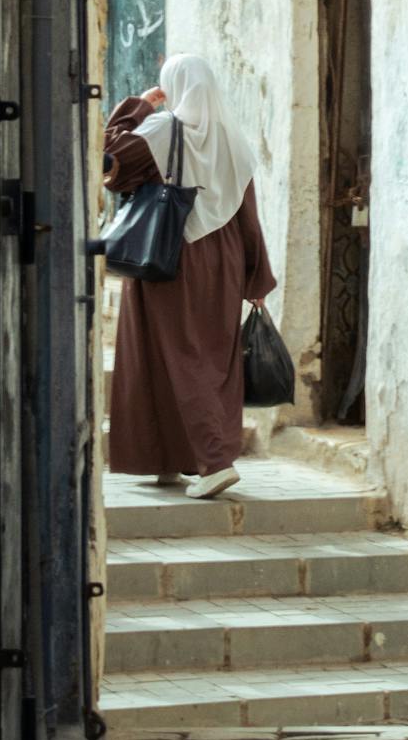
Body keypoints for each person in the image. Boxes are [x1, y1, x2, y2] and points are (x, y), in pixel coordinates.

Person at [101, 54, 277, 500]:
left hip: (170, 254)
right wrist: (256, 280)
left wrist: (138, 107)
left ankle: (214, 463)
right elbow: (247, 217)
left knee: (179, 356)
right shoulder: (230, 138)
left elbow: (110, 158)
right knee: (205, 357)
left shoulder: (163, 128)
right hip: (225, 260)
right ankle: (169, 458)